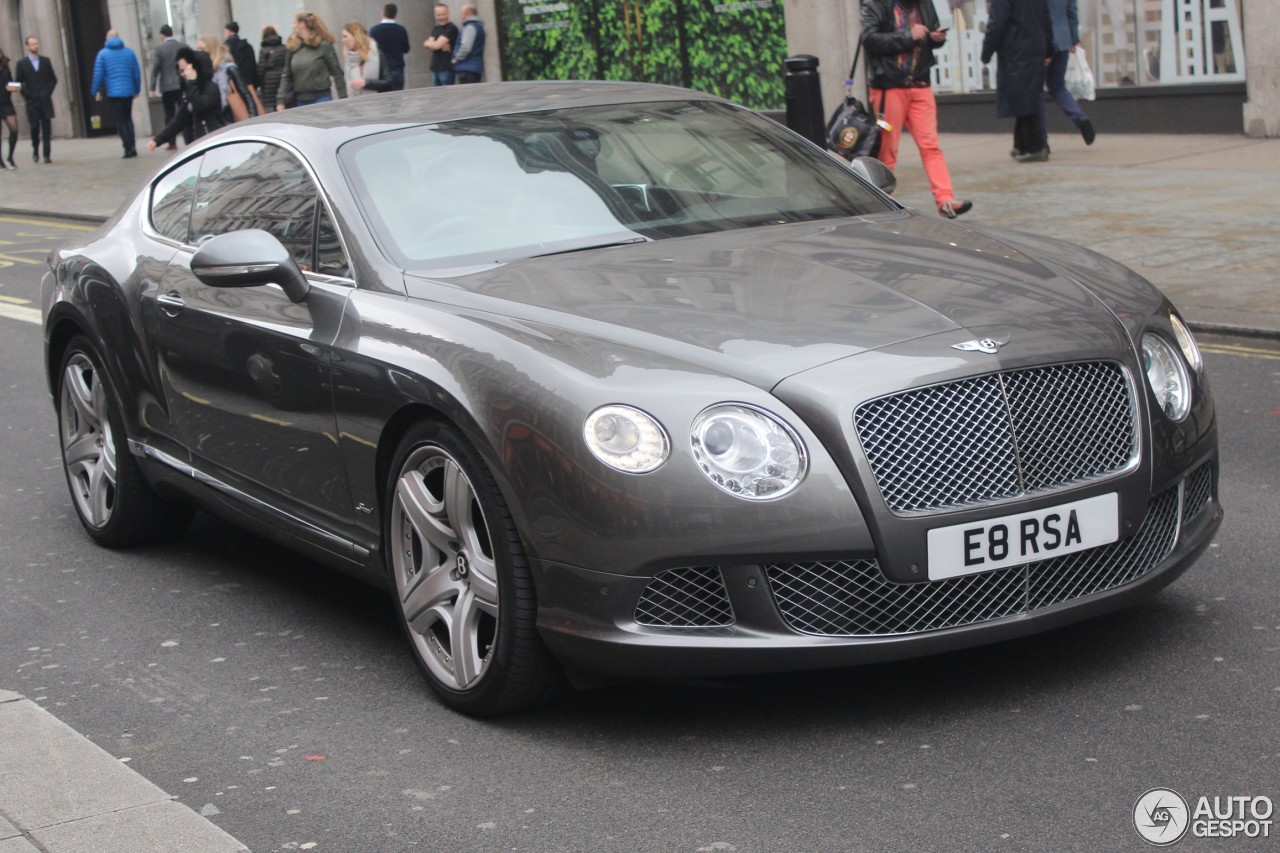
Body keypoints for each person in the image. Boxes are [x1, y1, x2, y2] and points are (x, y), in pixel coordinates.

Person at [860, 0, 971, 218]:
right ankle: (882, 200)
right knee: (887, 149)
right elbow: (869, 39)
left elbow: (929, 35)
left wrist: (935, 38)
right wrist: (908, 36)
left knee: (931, 146)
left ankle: (945, 200)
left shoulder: (925, 4)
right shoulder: (877, 4)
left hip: (920, 85)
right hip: (889, 88)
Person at [981, 0, 1053, 163]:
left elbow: (997, 22)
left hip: (1016, 48)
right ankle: (1022, 144)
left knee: (1023, 98)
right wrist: (1049, 48)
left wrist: (986, 52)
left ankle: (1035, 147)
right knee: (1027, 96)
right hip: (1034, 46)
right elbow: (1046, 18)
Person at [1039, 0, 1095, 153]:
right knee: (1057, 87)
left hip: (1042, 41)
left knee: (1036, 93)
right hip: (1063, 40)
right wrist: (1073, 39)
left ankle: (1041, 140)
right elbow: (1071, 11)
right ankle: (1079, 117)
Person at [147, 46, 223, 150]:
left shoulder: (210, 88)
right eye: (181, 71)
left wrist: (191, 83)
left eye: (184, 70)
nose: (183, 74)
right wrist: (158, 140)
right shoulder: (190, 90)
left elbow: (201, 105)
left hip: (212, 143)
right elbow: (180, 119)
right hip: (199, 143)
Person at [278, 12, 347, 109]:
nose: (292, 26)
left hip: (322, 99)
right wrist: (280, 100)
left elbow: (337, 73)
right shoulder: (293, 48)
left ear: (302, 24)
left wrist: (343, 99)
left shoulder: (323, 46)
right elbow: (286, 75)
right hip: (300, 100)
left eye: (294, 23)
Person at [90, 29, 142, 159]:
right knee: (128, 119)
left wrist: (94, 90)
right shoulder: (129, 53)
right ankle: (133, 146)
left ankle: (127, 148)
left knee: (120, 121)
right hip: (128, 92)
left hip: (114, 93)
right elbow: (136, 73)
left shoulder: (103, 54)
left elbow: (98, 75)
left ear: (107, 39)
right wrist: (136, 89)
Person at [13, 35, 56, 164]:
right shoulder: (22, 64)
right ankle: (35, 149)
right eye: (32, 44)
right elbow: (17, 84)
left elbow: (53, 79)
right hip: (31, 101)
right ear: (27, 46)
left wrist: (47, 92)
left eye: (36, 44)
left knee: (47, 127)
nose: (35, 46)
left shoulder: (45, 61)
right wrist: (27, 95)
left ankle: (46, 154)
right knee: (34, 128)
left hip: (45, 99)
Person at [149, 24, 186, 149]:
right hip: (181, 84)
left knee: (169, 114)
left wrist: (152, 86)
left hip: (167, 86)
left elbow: (156, 68)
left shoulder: (160, 49)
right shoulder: (181, 46)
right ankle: (188, 138)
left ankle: (172, 142)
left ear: (162, 35)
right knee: (184, 111)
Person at [342, 22, 392, 97]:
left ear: (356, 37)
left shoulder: (376, 55)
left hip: (376, 103)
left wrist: (366, 83)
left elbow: (388, 82)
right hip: (354, 104)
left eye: (345, 36)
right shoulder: (348, 58)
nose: (343, 40)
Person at [369, 3, 410, 91]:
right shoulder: (401, 30)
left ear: (382, 13)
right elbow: (406, 48)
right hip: (397, 68)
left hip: (381, 71)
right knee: (398, 98)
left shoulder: (374, 30)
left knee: (384, 100)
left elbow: (371, 50)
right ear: (395, 14)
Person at [423, 4, 459, 87]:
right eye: (439, 15)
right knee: (436, 96)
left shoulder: (451, 28)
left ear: (448, 13)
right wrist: (433, 44)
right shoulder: (436, 28)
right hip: (435, 67)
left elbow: (436, 46)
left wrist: (430, 43)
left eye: (443, 14)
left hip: (446, 67)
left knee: (447, 95)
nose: (441, 17)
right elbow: (429, 49)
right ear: (435, 15)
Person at [451, 3, 485, 85]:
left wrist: (456, 58)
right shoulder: (478, 26)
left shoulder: (470, 27)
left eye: (461, 13)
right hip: (474, 68)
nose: (460, 16)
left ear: (468, 14)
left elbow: (466, 47)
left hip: (467, 69)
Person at [257, 25, 287, 113]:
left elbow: (260, 68)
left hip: (268, 84)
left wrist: (258, 82)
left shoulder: (264, 50)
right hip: (281, 79)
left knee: (270, 109)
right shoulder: (284, 48)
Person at [223, 22, 258, 95]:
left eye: (225, 31)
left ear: (230, 32)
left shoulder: (225, 48)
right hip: (248, 83)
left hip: (233, 85)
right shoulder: (247, 46)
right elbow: (253, 65)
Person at [0, 50, 19, 169]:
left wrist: (17, 87)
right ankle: (0, 161)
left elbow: (11, 83)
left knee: (14, 129)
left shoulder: (5, 65)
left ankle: (10, 157)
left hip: (6, 102)